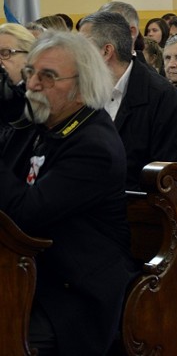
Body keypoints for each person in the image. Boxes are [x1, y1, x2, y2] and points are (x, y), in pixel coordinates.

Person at [0, 31, 135, 355]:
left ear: (81, 85)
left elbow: (25, 216)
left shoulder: (94, 147)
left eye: (48, 76)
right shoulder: (38, 122)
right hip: (23, 277)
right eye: (31, 72)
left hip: (71, 297)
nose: (32, 85)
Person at [79, 11, 177, 190]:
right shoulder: (82, 91)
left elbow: (167, 173)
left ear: (106, 51)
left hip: (136, 208)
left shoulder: (161, 96)